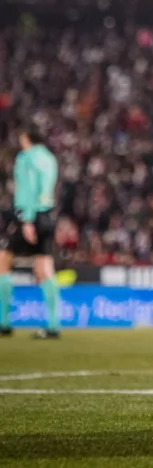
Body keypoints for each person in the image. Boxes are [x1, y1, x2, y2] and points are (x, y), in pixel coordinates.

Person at [0, 129, 60, 339]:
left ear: (26, 138)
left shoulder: (26, 158)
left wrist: (26, 219)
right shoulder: (49, 158)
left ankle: (4, 322)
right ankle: (53, 326)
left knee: (3, 262)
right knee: (44, 268)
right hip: (47, 215)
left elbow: (29, 188)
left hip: (30, 216)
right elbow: (46, 189)